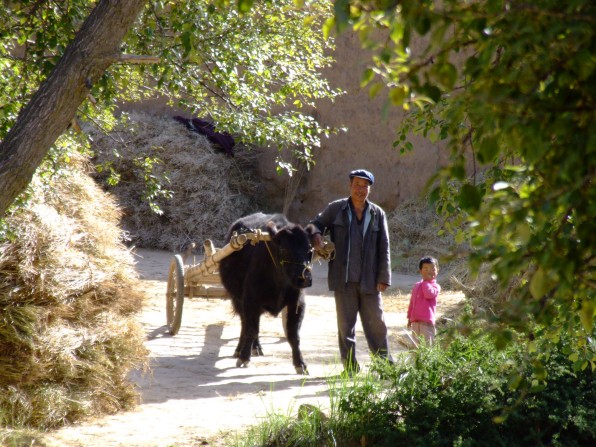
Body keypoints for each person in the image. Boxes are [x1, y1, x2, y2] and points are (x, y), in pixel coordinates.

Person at [309, 169, 392, 374]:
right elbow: (314, 224)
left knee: (377, 324)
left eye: (365, 186)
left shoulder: (377, 213)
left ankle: (384, 368)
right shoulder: (336, 209)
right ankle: (350, 369)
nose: (360, 189)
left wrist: (384, 277)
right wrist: (317, 236)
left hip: (370, 281)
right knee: (346, 327)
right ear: (350, 186)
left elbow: (385, 246)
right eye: (357, 185)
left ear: (369, 189)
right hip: (343, 280)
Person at [407, 256, 441, 346]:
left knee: (427, 346)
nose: (429, 271)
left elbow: (429, 294)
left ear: (437, 270)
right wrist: (409, 317)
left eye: (432, 269)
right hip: (415, 322)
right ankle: (416, 360)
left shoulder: (435, 286)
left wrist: (426, 282)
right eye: (425, 269)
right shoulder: (417, 285)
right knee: (415, 346)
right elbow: (412, 302)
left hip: (427, 323)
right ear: (420, 271)